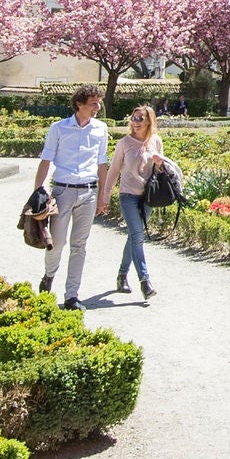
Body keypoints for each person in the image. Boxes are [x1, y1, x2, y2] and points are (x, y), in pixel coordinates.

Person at [32, 85, 111, 310]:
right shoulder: (59, 128)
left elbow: (102, 163)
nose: (98, 107)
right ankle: (49, 275)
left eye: (99, 102)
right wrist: (37, 192)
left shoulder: (101, 129)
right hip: (62, 190)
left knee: (80, 245)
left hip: (88, 191)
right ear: (79, 104)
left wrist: (103, 195)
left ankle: (71, 295)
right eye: (93, 103)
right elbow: (46, 160)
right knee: (56, 243)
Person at [108, 104, 164, 303]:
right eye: (134, 117)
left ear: (149, 121)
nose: (136, 122)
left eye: (141, 118)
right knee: (138, 237)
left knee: (134, 237)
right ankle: (145, 281)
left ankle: (122, 275)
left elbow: (159, 173)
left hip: (147, 196)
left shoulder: (155, 141)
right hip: (128, 196)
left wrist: (159, 164)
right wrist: (105, 196)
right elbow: (113, 170)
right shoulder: (124, 143)